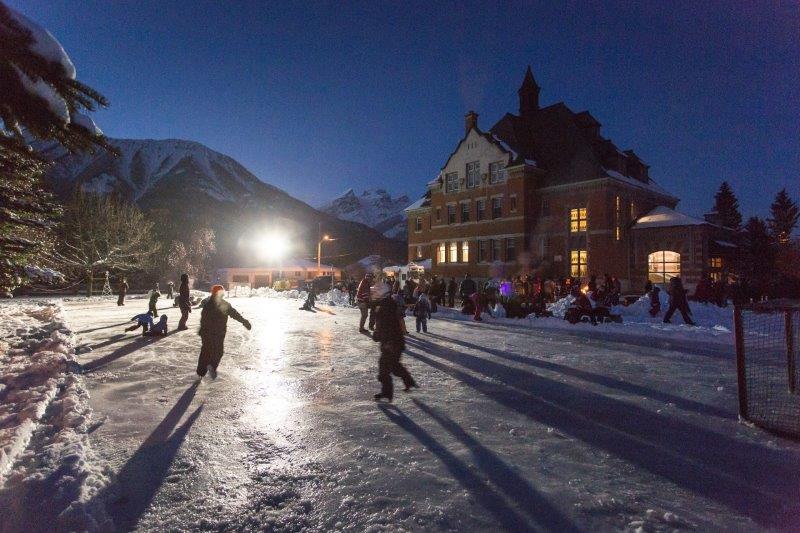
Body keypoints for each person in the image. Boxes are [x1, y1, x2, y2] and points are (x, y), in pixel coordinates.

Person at [371, 281, 417, 401]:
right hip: (392, 342)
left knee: (385, 369)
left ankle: (388, 392)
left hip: (392, 343)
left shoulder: (387, 306)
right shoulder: (384, 304)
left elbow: (390, 326)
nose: (374, 293)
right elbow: (382, 324)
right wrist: (378, 333)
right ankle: (408, 381)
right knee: (393, 367)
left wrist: (388, 341)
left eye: (376, 291)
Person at [196, 285, 251, 379]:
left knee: (205, 350)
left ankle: (201, 371)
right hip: (219, 332)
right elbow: (235, 314)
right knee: (218, 351)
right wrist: (244, 321)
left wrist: (202, 330)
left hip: (207, 332)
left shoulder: (208, 304)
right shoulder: (224, 304)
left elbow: (203, 318)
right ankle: (212, 365)